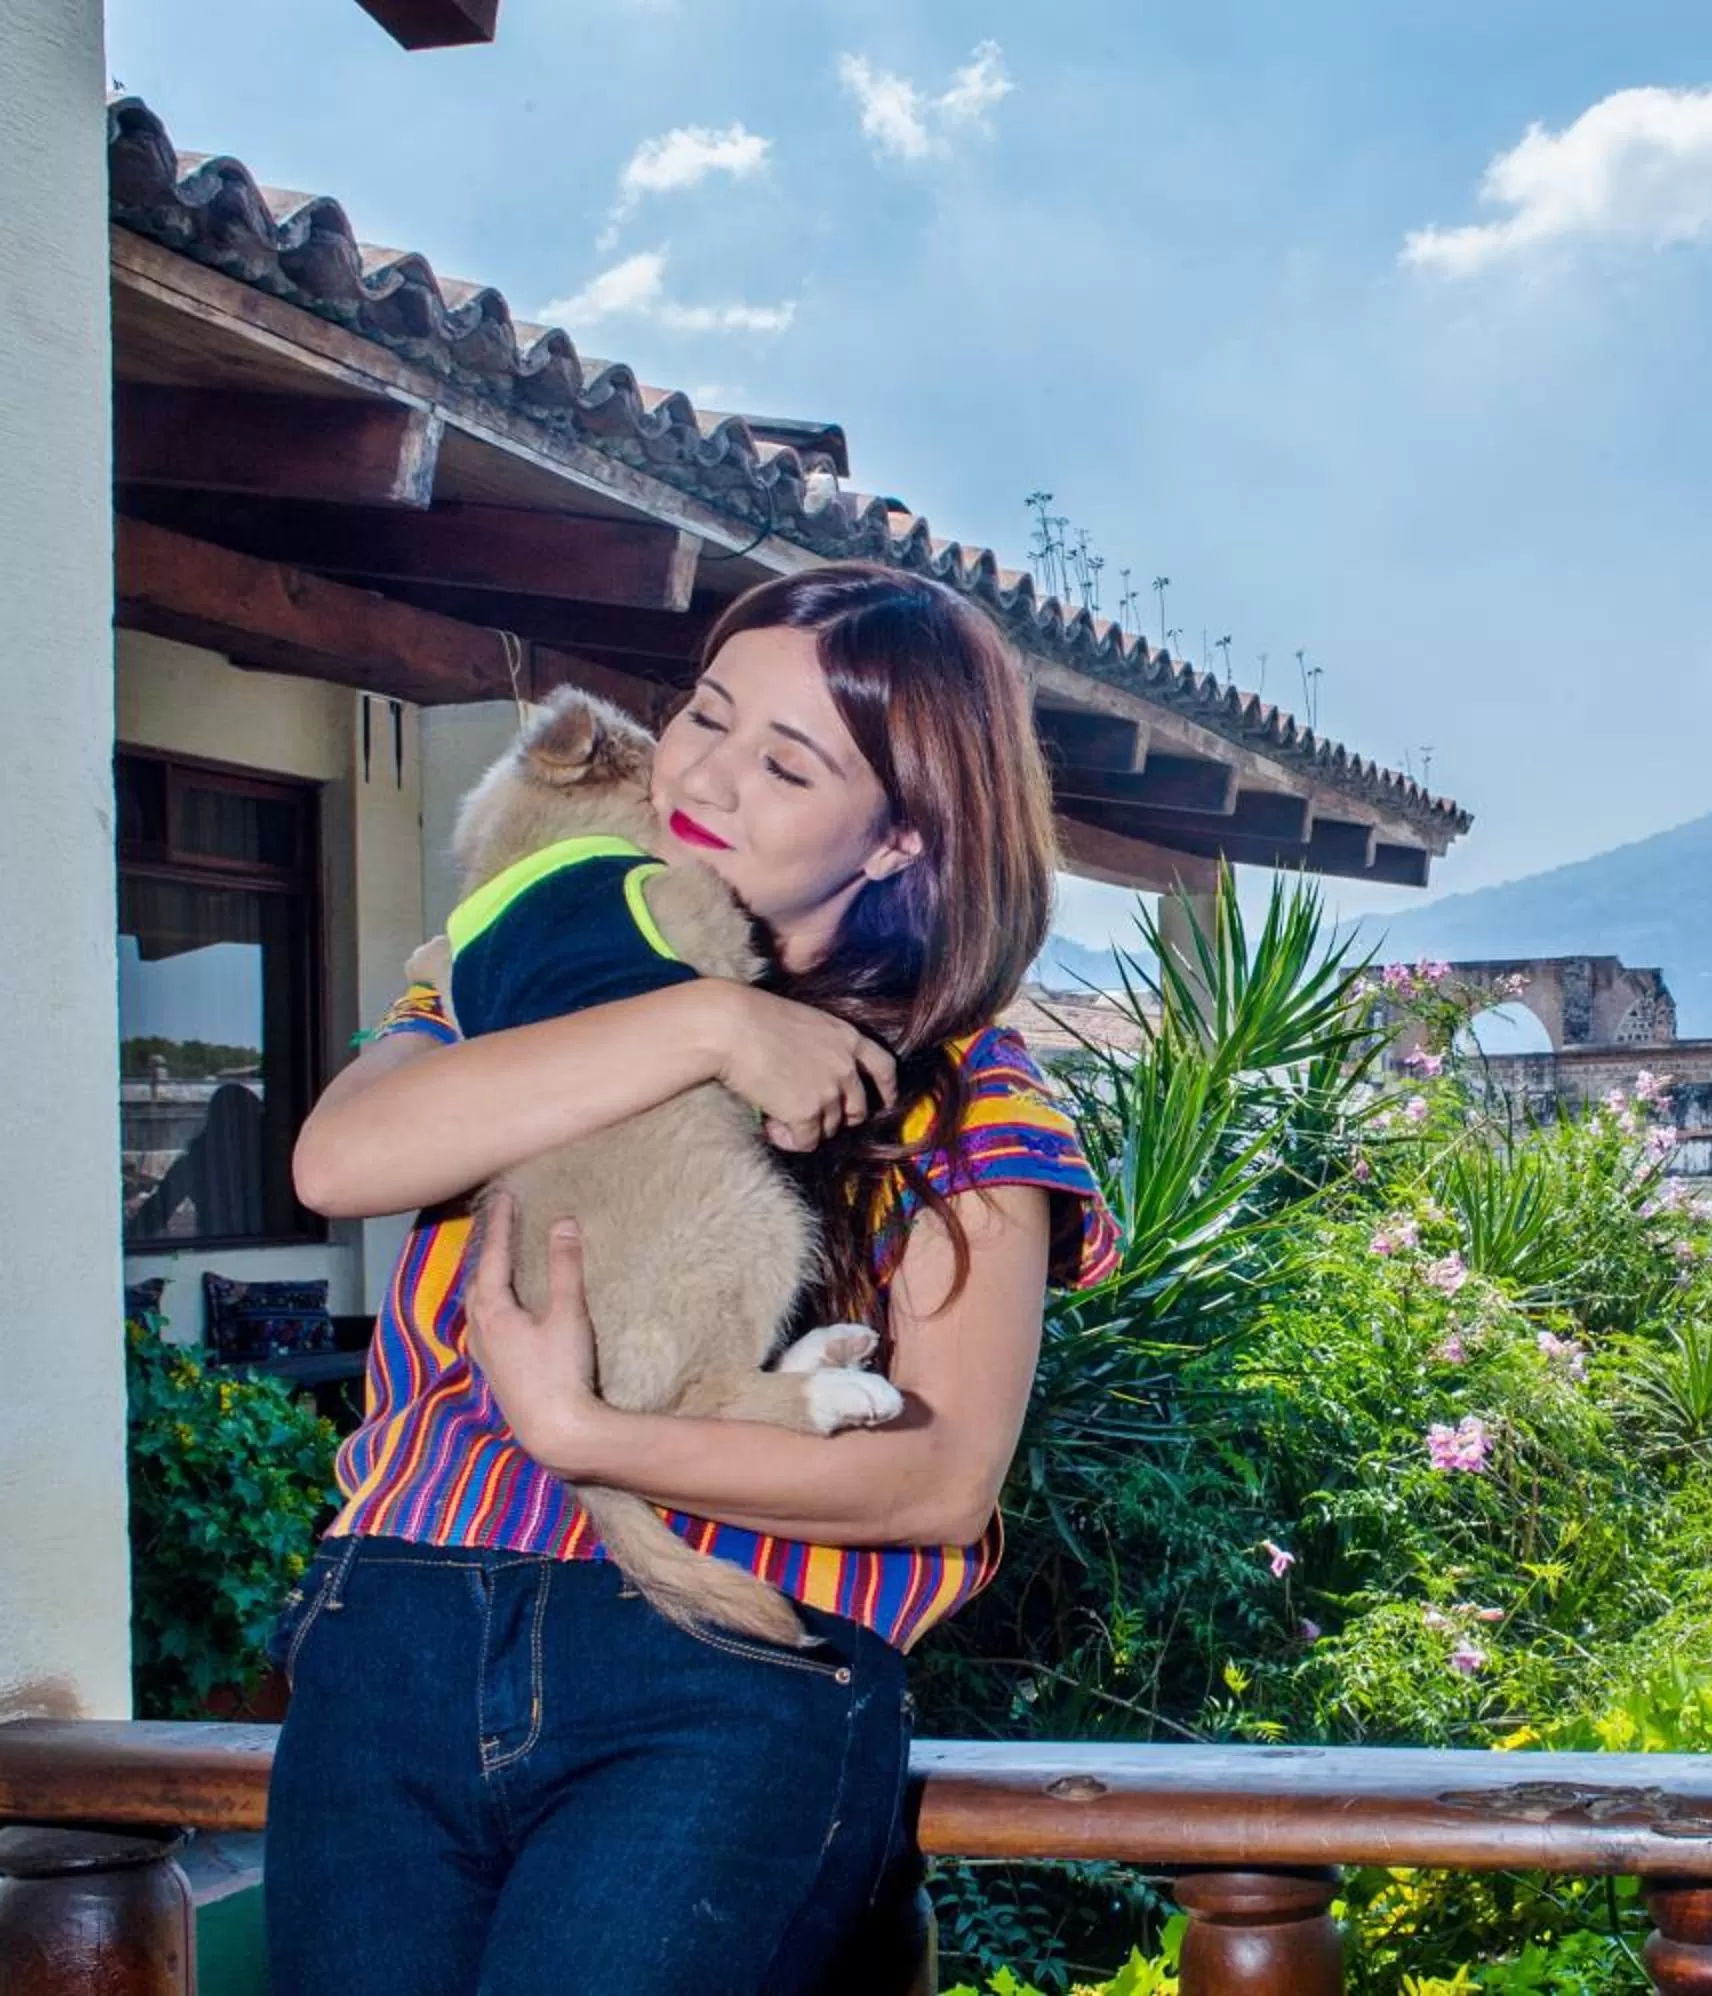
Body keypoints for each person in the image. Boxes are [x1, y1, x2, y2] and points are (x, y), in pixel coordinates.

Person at [267, 565, 1119, 1995]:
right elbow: (338, 1161)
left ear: (902, 836)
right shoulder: (508, 972)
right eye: (705, 717)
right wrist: (710, 1022)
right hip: (392, 1636)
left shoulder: (962, 1087)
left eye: (787, 765)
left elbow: (937, 1483)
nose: (705, 778)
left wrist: (587, 1436)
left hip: (720, 1665)